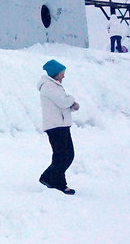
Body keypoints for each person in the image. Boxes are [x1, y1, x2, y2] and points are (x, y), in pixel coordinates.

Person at [38, 59, 79, 194]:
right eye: (62, 73)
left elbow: (61, 104)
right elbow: (62, 102)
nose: (64, 76)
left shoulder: (54, 85)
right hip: (56, 126)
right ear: (56, 73)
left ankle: (47, 177)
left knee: (65, 155)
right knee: (64, 155)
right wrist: (72, 100)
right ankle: (58, 183)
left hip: (61, 125)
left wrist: (71, 105)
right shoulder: (49, 86)